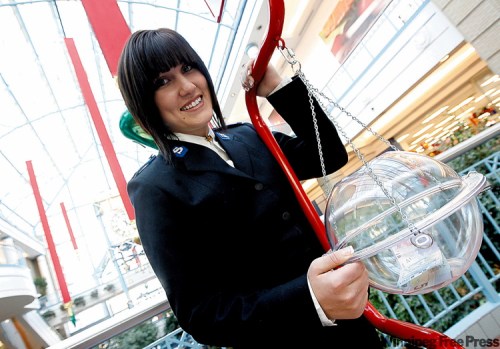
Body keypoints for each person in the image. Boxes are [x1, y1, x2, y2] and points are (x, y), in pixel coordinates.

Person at [117, 28, 383, 348]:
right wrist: (309, 298)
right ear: (145, 102)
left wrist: (277, 89)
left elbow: (328, 155)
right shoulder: (154, 187)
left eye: (188, 68)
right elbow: (201, 314)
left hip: (356, 327)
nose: (187, 87)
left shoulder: (247, 135)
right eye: (163, 82)